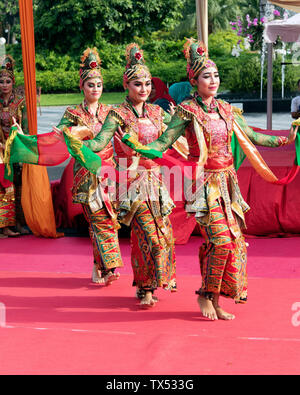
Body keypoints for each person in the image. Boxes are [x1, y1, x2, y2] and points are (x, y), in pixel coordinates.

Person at [120, 38, 298, 320]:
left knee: (234, 242)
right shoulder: (187, 111)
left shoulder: (227, 109)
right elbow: (163, 143)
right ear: (195, 80)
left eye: (215, 75)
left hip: (228, 184)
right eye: (207, 76)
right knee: (221, 240)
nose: (213, 80)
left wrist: (284, 140)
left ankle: (215, 297)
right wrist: (137, 145)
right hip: (203, 185)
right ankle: (204, 295)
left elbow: (252, 136)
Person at [78, 43, 177, 307]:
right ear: (126, 85)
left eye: (146, 83)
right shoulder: (117, 115)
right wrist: (77, 141)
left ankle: (147, 286)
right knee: (148, 233)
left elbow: (172, 138)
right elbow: (99, 142)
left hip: (155, 183)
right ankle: (142, 284)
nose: (143, 89)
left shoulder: (158, 112)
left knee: (156, 236)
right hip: (130, 183)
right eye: (137, 84)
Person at [52, 48, 124, 285]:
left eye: (99, 84)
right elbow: (58, 135)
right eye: (91, 84)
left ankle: (98, 265)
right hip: (86, 174)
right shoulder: (73, 113)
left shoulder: (110, 112)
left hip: (109, 174)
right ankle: (110, 265)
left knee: (109, 219)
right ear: (82, 87)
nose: (95, 89)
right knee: (98, 218)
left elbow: (128, 134)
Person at [0, 54, 28, 238]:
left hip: (16, 147)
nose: (4, 85)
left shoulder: (20, 102)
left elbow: (25, 127)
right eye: (1, 81)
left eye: (7, 81)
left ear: (13, 82)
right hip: (1, 149)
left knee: (19, 186)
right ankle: (5, 226)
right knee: (5, 187)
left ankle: (19, 222)